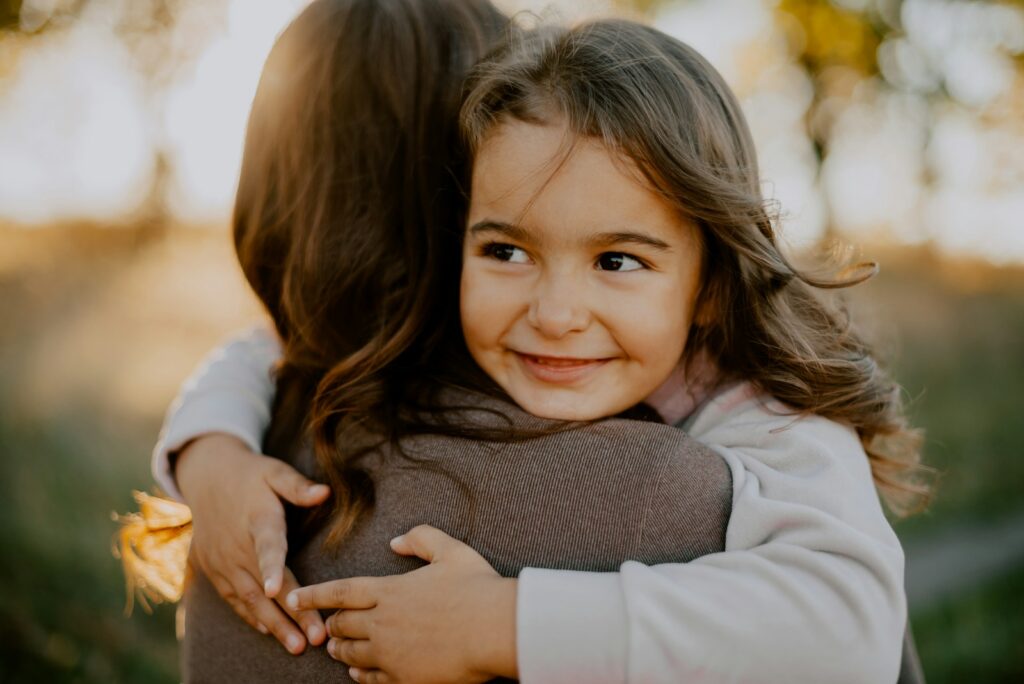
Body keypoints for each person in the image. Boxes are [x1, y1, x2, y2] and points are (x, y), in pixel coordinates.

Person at [158, 12, 928, 684]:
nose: (556, 314)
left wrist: (505, 626)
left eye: (617, 261)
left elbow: (853, 635)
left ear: (712, 286)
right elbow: (267, 344)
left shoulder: (772, 419)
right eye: (506, 251)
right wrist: (213, 453)